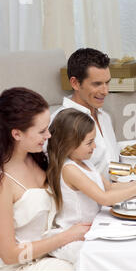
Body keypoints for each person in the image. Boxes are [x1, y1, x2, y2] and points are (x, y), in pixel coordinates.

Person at [0, 88, 89, 271]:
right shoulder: (1, 183)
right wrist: (66, 237)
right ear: (17, 134)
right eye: (41, 131)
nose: (48, 136)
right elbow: (9, 255)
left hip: (52, 253)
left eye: (47, 128)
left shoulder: (36, 158)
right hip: (20, 266)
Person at [46, 108, 136, 264]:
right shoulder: (69, 169)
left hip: (93, 227)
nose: (94, 146)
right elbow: (104, 198)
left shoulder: (84, 163)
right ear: (69, 144)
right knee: (115, 257)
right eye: (89, 142)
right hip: (74, 238)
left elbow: (109, 188)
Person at [49, 48, 118, 179]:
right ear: (75, 83)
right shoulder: (60, 123)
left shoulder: (105, 117)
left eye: (107, 82)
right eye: (97, 84)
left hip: (119, 191)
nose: (105, 91)